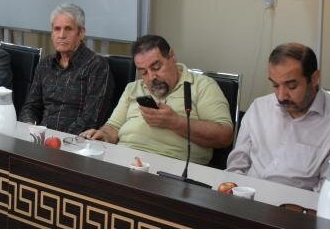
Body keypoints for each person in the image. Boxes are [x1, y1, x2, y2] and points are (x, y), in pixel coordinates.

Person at [226, 43, 330, 190]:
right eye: (275, 85)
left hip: (296, 203)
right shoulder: (259, 108)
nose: (281, 96)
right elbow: (236, 166)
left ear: (315, 78)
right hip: (246, 197)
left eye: (291, 86)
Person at [83, 34, 233, 164]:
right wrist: (103, 136)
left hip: (173, 167)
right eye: (143, 72)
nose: (151, 77)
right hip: (124, 160)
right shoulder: (133, 88)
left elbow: (225, 136)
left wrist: (174, 122)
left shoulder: (202, 85)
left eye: (156, 67)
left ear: (172, 56)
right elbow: (113, 127)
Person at [18, 4, 114, 134]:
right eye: (57, 29)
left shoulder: (97, 65)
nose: (61, 35)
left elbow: (92, 118)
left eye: (68, 29)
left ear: (81, 33)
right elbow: (30, 106)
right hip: (40, 137)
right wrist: (30, 128)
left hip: (75, 141)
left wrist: (58, 138)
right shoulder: (45, 64)